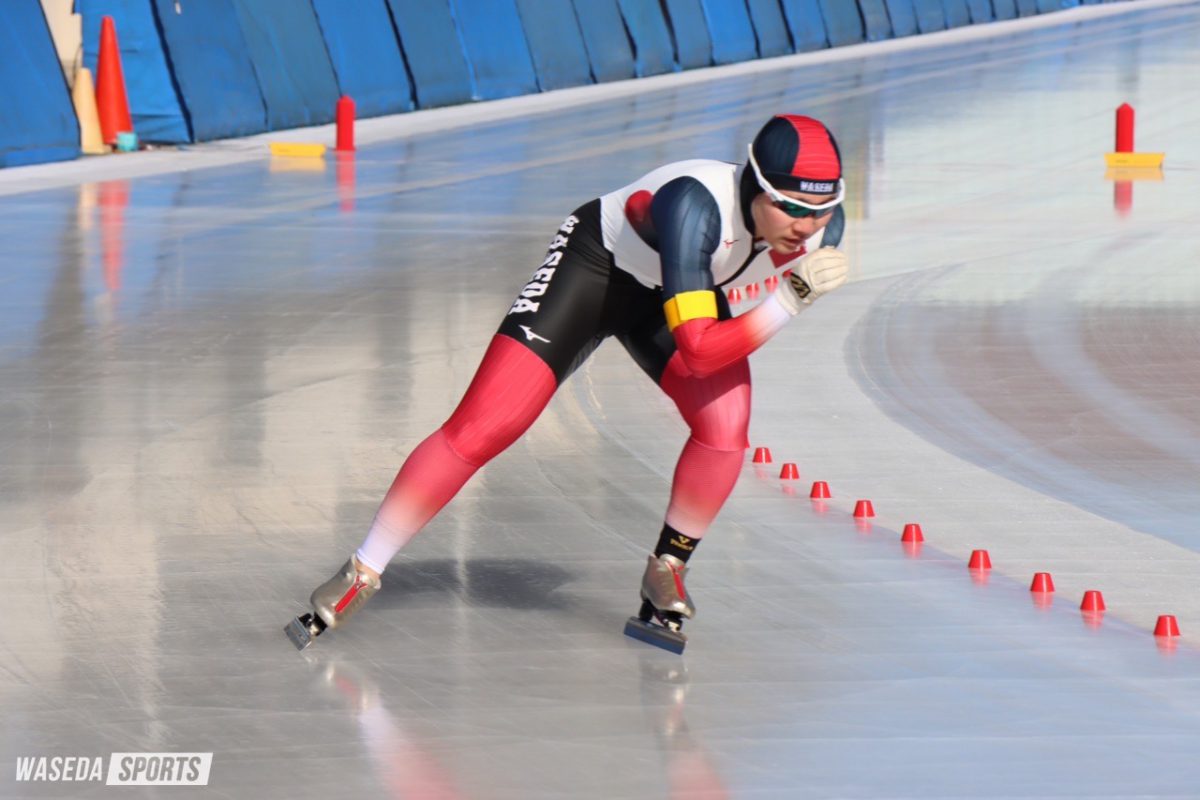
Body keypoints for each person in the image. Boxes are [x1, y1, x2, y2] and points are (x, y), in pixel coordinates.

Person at [286, 114, 850, 652]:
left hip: (678, 292)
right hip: (593, 272)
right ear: (754, 186)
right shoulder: (695, 207)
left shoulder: (823, 226)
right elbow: (700, 352)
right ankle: (364, 567)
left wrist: (789, 285)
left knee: (725, 428)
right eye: (792, 207)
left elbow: (709, 333)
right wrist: (787, 301)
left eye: (823, 210)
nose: (807, 224)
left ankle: (667, 567)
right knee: (485, 426)